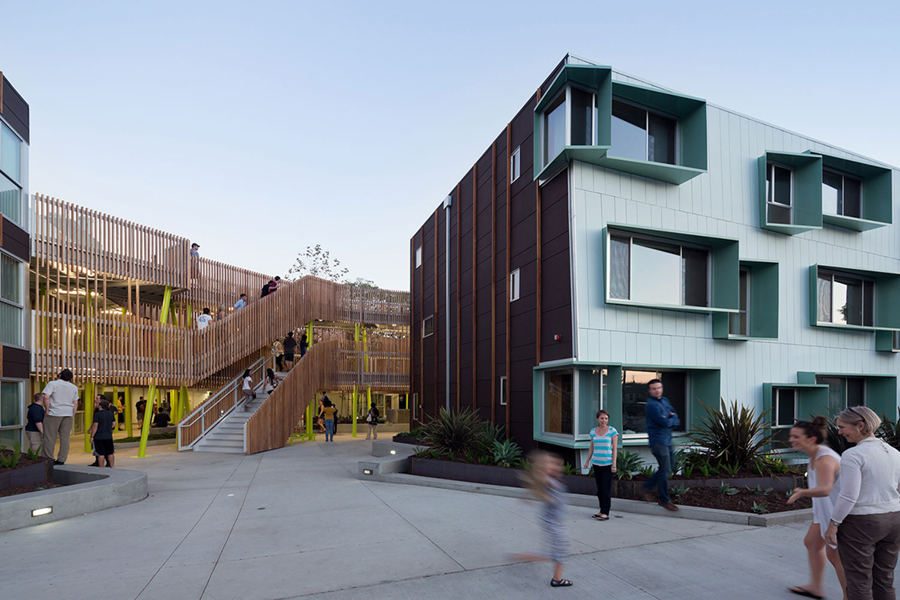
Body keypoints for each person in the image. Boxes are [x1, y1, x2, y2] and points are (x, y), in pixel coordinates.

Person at [825, 406, 900, 600]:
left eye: (842, 427)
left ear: (860, 425)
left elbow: (849, 495)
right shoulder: (894, 453)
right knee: (884, 579)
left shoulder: (853, 455)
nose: (839, 432)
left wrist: (833, 524)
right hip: (894, 520)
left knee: (858, 582)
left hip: (862, 524)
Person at [786, 417, 847, 600]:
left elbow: (825, 489)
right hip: (825, 512)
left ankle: (849, 596)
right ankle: (815, 588)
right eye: (791, 436)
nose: (791, 440)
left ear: (811, 439)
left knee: (836, 557)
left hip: (838, 513)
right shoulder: (814, 454)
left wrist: (802, 492)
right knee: (812, 543)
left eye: (796, 437)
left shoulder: (824, 459)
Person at [512, 451, 572, 587]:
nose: (557, 467)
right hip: (553, 522)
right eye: (552, 465)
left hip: (553, 521)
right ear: (544, 468)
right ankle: (556, 578)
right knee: (560, 551)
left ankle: (530, 556)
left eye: (557, 465)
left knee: (560, 550)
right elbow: (538, 479)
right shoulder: (548, 481)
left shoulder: (553, 479)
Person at [641, 378, 680, 511]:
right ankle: (664, 500)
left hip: (668, 440)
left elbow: (677, 419)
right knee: (665, 470)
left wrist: (670, 418)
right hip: (658, 442)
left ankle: (647, 486)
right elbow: (665, 422)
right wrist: (670, 418)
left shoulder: (665, 400)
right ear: (649, 391)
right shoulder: (651, 405)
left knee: (671, 467)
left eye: (659, 387)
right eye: (654, 388)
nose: (657, 390)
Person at [583, 409, 618, 521]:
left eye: (606, 418)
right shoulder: (593, 431)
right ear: (597, 419)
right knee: (599, 489)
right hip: (596, 463)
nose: (604, 420)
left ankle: (605, 512)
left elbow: (615, 449)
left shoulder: (612, 431)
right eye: (602, 418)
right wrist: (587, 461)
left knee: (605, 489)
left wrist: (614, 464)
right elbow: (591, 448)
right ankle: (601, 510)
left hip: (608, 464)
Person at [41, 369, 79, 465]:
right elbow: (75, 402)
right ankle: (62, 459)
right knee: (65, 438)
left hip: (54, 412)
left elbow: (46, 396)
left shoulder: (52, 384)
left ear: (59, 375)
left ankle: (48, 458)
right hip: (68, 413)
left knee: (50, 437)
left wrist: (47, 409)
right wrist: (73, 414)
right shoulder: (74, 387)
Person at [90, 400, 115, 468]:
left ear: (100, 406)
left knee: (101, 453)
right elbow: (114, 424)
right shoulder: (110, 414)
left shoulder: (97, 414)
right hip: (108, 436)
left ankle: (101, 468)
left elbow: (95, 426)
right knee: (110, 452)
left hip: (99, 436)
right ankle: (112, 466)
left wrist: (92, 436)